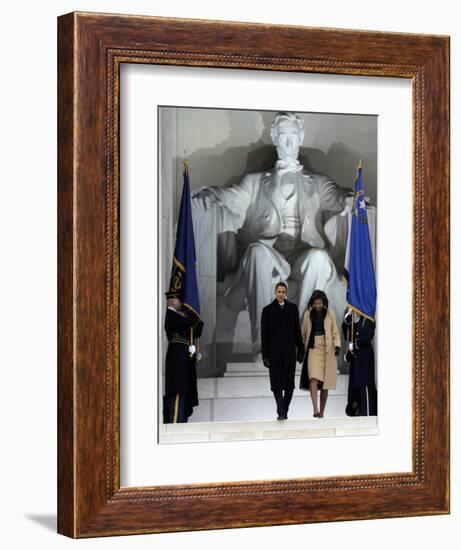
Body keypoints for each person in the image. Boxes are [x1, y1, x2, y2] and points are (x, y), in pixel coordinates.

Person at [192, 112, 353, 355]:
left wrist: (352, 199)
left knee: (319, 258)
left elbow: (338, 196)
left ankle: (299, 337)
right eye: (283, 137)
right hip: (270, 255)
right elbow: (232, 197)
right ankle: (263, 341)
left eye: (293, 137)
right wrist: (211, 194)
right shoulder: (256, 181)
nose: (288, 144)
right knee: (256, 251)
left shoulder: (317, 182)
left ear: (300, 138)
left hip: (303, 254)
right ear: (275, 139)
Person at [261, 282, 304, 420]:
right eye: (278, 291)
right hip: (274, 354)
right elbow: (264, 335)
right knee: (277, 385)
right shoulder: (267, 310)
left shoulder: (293, 309)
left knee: (290, 386)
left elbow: (297, 331)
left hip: (289, 353)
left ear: (286, 293)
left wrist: (301, 349)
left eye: (283, 292)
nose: (281, 294)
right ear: (275, 293)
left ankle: (283, 409)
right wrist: (265, 355)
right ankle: (282, 412)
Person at [163, 291, 204, 423]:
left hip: (183, 361)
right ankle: (176, 422)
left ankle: (181, 421)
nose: (182, 303)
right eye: (180, 300)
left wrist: (198, 319)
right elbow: (188, 322)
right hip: (177, 362)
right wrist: (192, 311)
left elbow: (195, 329)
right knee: (178, 394)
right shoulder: (171, 315)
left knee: (184, 394)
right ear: (173, 301)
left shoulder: (178, 317)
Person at [300, 289, 341, 418]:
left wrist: (337, 345)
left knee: (325, 384)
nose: (318, 305)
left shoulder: (330, 314)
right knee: (313, 378)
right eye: (315, 303)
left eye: (320, 303)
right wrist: (301, 349)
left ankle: (322, 413)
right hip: (313, 348)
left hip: (327, 349)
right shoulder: (307, 314)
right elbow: (304, 334)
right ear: (312, 303)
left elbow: (335, 332)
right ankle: (315, 408)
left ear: (324, 303)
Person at [342, 309, 377, 416]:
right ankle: (359, 411)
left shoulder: (368, 319)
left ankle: (367, 412)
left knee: (364, 384)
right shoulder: (355, 320)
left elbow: (366, 336)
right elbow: (347, 334)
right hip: (356, 359)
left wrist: (355, 345)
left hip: (364, 357)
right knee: (356, 386)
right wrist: (347, 320)